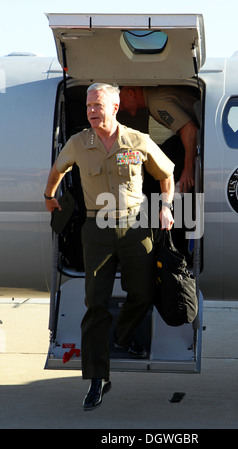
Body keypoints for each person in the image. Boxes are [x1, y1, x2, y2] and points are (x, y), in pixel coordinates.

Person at [44, 83, 175, 410]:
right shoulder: (79, 142)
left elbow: (167, 173)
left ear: (114, 107)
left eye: (97, 105)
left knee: (143, 292)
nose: (90, 111)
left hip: (135, 226)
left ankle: (124, 335)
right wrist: (50, 197)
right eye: (88, 105)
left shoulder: (138, 141)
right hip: (96, 229)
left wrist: (166, 206)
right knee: (96, 303)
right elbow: (57, 170)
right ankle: (96, 379)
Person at [120, 85, 199, 193]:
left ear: (131, 93)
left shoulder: (156, 103)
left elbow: (190, 131)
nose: (121, 108)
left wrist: (188, 169)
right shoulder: (155, 95)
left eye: (121, 102)